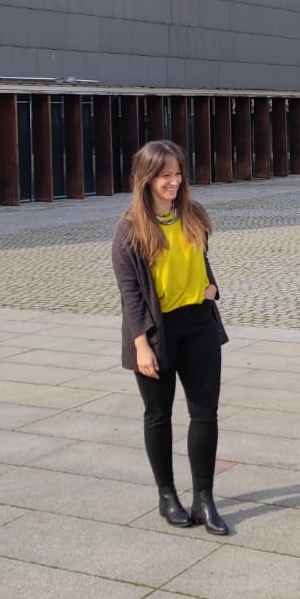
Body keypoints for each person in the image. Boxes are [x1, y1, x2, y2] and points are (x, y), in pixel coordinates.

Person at [112, 140, 230, 535]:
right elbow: (130, 296)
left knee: (205, 413)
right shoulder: (130, 229)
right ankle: (167, 496)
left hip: (199, 325)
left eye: (178, 174)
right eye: (165, 176)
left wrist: (211, 288)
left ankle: (204, 498)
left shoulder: (193, 213)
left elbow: (201, 258)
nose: (174, 182)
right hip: (157, 333)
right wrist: (141, 345)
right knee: (159, 415)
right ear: (147, 179)